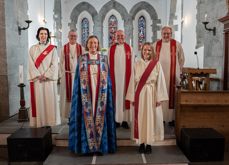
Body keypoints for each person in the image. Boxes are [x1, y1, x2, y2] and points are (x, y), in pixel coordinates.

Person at [69, 35, 116, 155]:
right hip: (86, 93)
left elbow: (108, 80)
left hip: (101, 93)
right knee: (87, 115)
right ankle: (87, 147)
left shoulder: (104, 59)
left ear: (98, 44)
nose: (93, 45)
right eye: (90, 43)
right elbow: (77, 80)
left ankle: (100, 147)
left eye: (95, 43)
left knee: (100, 115)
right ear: (87, 44)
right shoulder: (82, 59)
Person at [126, 42, 168, 154]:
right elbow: (132, 82)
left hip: (152, 93)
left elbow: (160, 82)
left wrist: (159, 98)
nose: (147, 52)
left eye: (149, 50)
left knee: (151, 118)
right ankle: (141, 142)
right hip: (139, 94)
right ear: (142, 51)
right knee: (140, 118)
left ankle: (149, 143)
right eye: (145, 50)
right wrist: (132, 98)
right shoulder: (137, 64)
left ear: (152, 52)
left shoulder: (156, 64)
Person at [28, 27, 61, 127]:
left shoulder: (52, 49)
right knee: (39, 103)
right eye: (41, 34)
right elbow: (30, 64)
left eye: (45, 34)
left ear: (48, 36)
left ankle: (49, 123)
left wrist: (46, 75)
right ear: (38, 35)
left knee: (49, 102)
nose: (43, 36)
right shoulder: (33, 49)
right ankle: (39, 123)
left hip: (48, 80)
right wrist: (38, 75)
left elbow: (55, 64)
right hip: (37, 80)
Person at [152, 26, 185, 126]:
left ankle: (172, 119)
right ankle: (160, 118)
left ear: (171, 34)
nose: (166, 35)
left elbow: (181, 59)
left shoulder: (177, 45)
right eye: (164, 33)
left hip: (173, 75)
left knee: (173, 96)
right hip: (159, 76)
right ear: (161, 34)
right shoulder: (155, 45)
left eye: (168, 33)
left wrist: (178, 70)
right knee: (160, 95)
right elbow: (152, 59)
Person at [108, 29, 134, 129]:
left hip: (126, 78)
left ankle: (125, 120)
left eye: (122, 36)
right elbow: (108, 64)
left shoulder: (129, 49)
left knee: (125, 97)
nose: (120, 38)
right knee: (116, 98)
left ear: (125, 37)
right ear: (115, 37)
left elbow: (132, 64)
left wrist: (132, 78)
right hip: (114, 78)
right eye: (118, 36)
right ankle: (116, 120)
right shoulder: (111, 49)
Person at [59, 29, 84, 122]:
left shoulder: (82, 48)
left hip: (78, 76)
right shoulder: (63, 48)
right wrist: (62, 75)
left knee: (78, 95)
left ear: (77, 37)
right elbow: (61, 63)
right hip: (67, 75)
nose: (73, 37)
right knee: (67, 96)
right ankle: (69, 116)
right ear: (68, 37)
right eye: (71, 36)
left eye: (75, 36)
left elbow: (84, 63)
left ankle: (77, 115)